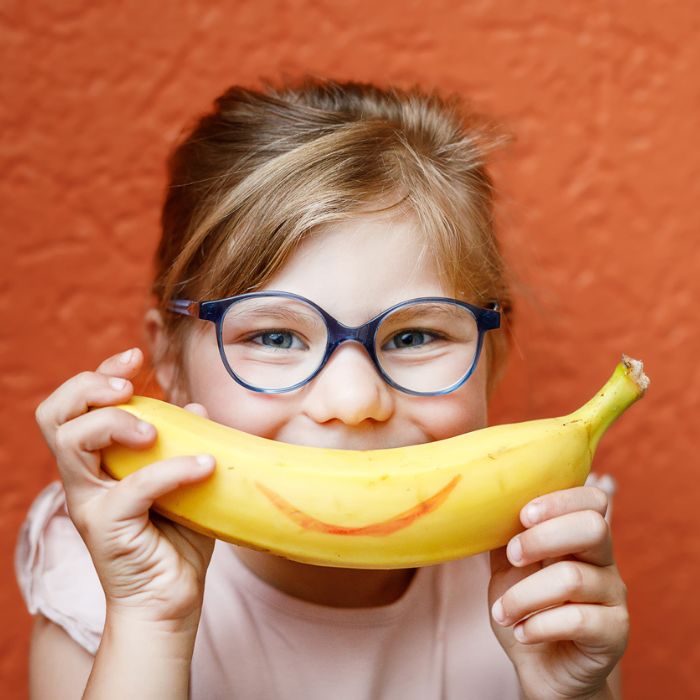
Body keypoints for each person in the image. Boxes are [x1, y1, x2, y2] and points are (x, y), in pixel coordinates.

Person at [16, 79, 628, 699]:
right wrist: (149, 623)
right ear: (169, 358)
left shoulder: (544, 577)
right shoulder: (108, 587)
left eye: (415, 336)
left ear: (493, 354)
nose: (354, 401)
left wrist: (572, 692)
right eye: (277, 337)